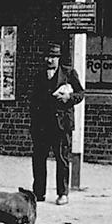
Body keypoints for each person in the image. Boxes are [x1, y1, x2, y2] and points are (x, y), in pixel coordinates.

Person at [29, 41, 85, 205]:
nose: (50, 60)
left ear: (59, 58)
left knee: (62, 158)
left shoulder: (69, 73)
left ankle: (62, 193)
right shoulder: (38, 75)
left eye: (53, 57)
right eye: (47, 56)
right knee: (39, 159)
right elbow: (32, 98)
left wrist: (69, 97)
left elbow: (81, 93)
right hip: (41, 124)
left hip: (61, 125)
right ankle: (38, 192)